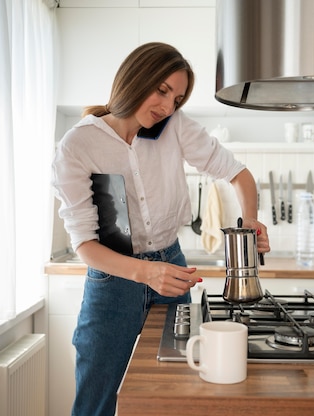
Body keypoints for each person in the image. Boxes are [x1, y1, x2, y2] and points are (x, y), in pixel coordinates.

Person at [52, 42, 270, 416]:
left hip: (171, 268)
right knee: (97, 402)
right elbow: (84, 244)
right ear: (134, 79)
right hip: (113, 279)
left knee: (173, 394)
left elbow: (238, 173)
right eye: (163, 91)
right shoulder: (78, 145)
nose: (168, 107)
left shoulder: (175, 126)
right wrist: (145, 272)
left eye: (178, 98)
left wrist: (250, 219)